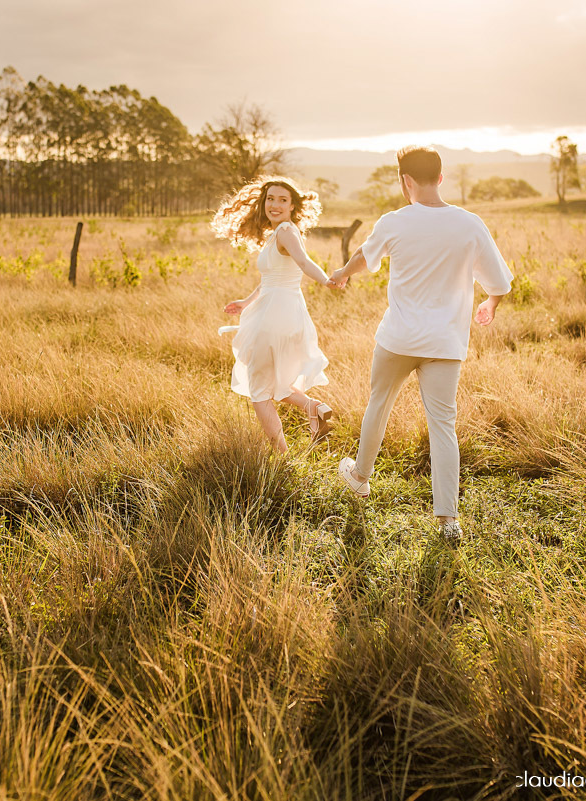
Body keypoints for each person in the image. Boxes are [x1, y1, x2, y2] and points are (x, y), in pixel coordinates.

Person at [328, 145, 512, 544]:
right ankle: (448, 520)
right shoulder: (469, 224)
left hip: (398, 338)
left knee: (379, 404)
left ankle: (359, 478)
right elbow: (498, 281)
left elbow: (364, 255)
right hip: (445, 343)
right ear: (441, 178)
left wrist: (343, 271)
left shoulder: (395, 221)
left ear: (404, 181)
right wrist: (490, 302)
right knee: (443, 425)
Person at [213, 176, 339, 453]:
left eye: (283, 200)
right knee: (272, 382)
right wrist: (246, 302)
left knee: (259, 390)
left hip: (276, 315)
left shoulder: (284, 231)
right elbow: (270, 278)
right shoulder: (279, 233)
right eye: (271, 198)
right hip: (280, 311)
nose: (275, 204)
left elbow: (304, 263)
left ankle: (282, 458)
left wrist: (326, 280)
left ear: (293, 206)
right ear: (264, 202)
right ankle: (314, 407)